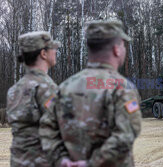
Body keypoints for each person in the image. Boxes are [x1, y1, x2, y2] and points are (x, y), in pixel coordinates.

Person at [39, 20, 142, 167]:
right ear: (116, 49)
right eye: (123, 45)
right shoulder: (122, 88)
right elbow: (126, 135)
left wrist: (61, 160)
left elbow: (46, 128)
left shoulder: (64, 87)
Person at [6, 31, 65, 167]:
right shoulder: (45, 87)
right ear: (43, 54)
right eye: (53, 48)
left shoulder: (14, 90)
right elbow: (61, 126)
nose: (55, 52)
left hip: (18, 161)